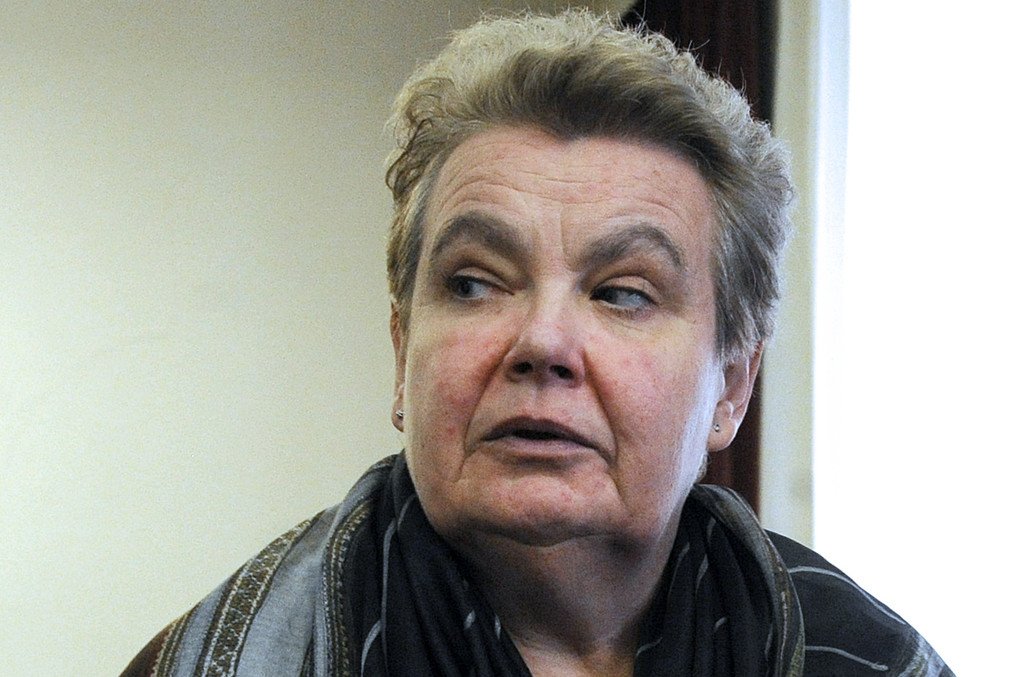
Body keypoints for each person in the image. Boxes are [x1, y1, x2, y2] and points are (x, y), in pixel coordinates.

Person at [122, 10, 952, 677]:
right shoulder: (214, 660)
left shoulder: (868, 660)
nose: (542, 341)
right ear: (403, 352)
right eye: (475, 283)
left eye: (622, 292)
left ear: (732, 385)